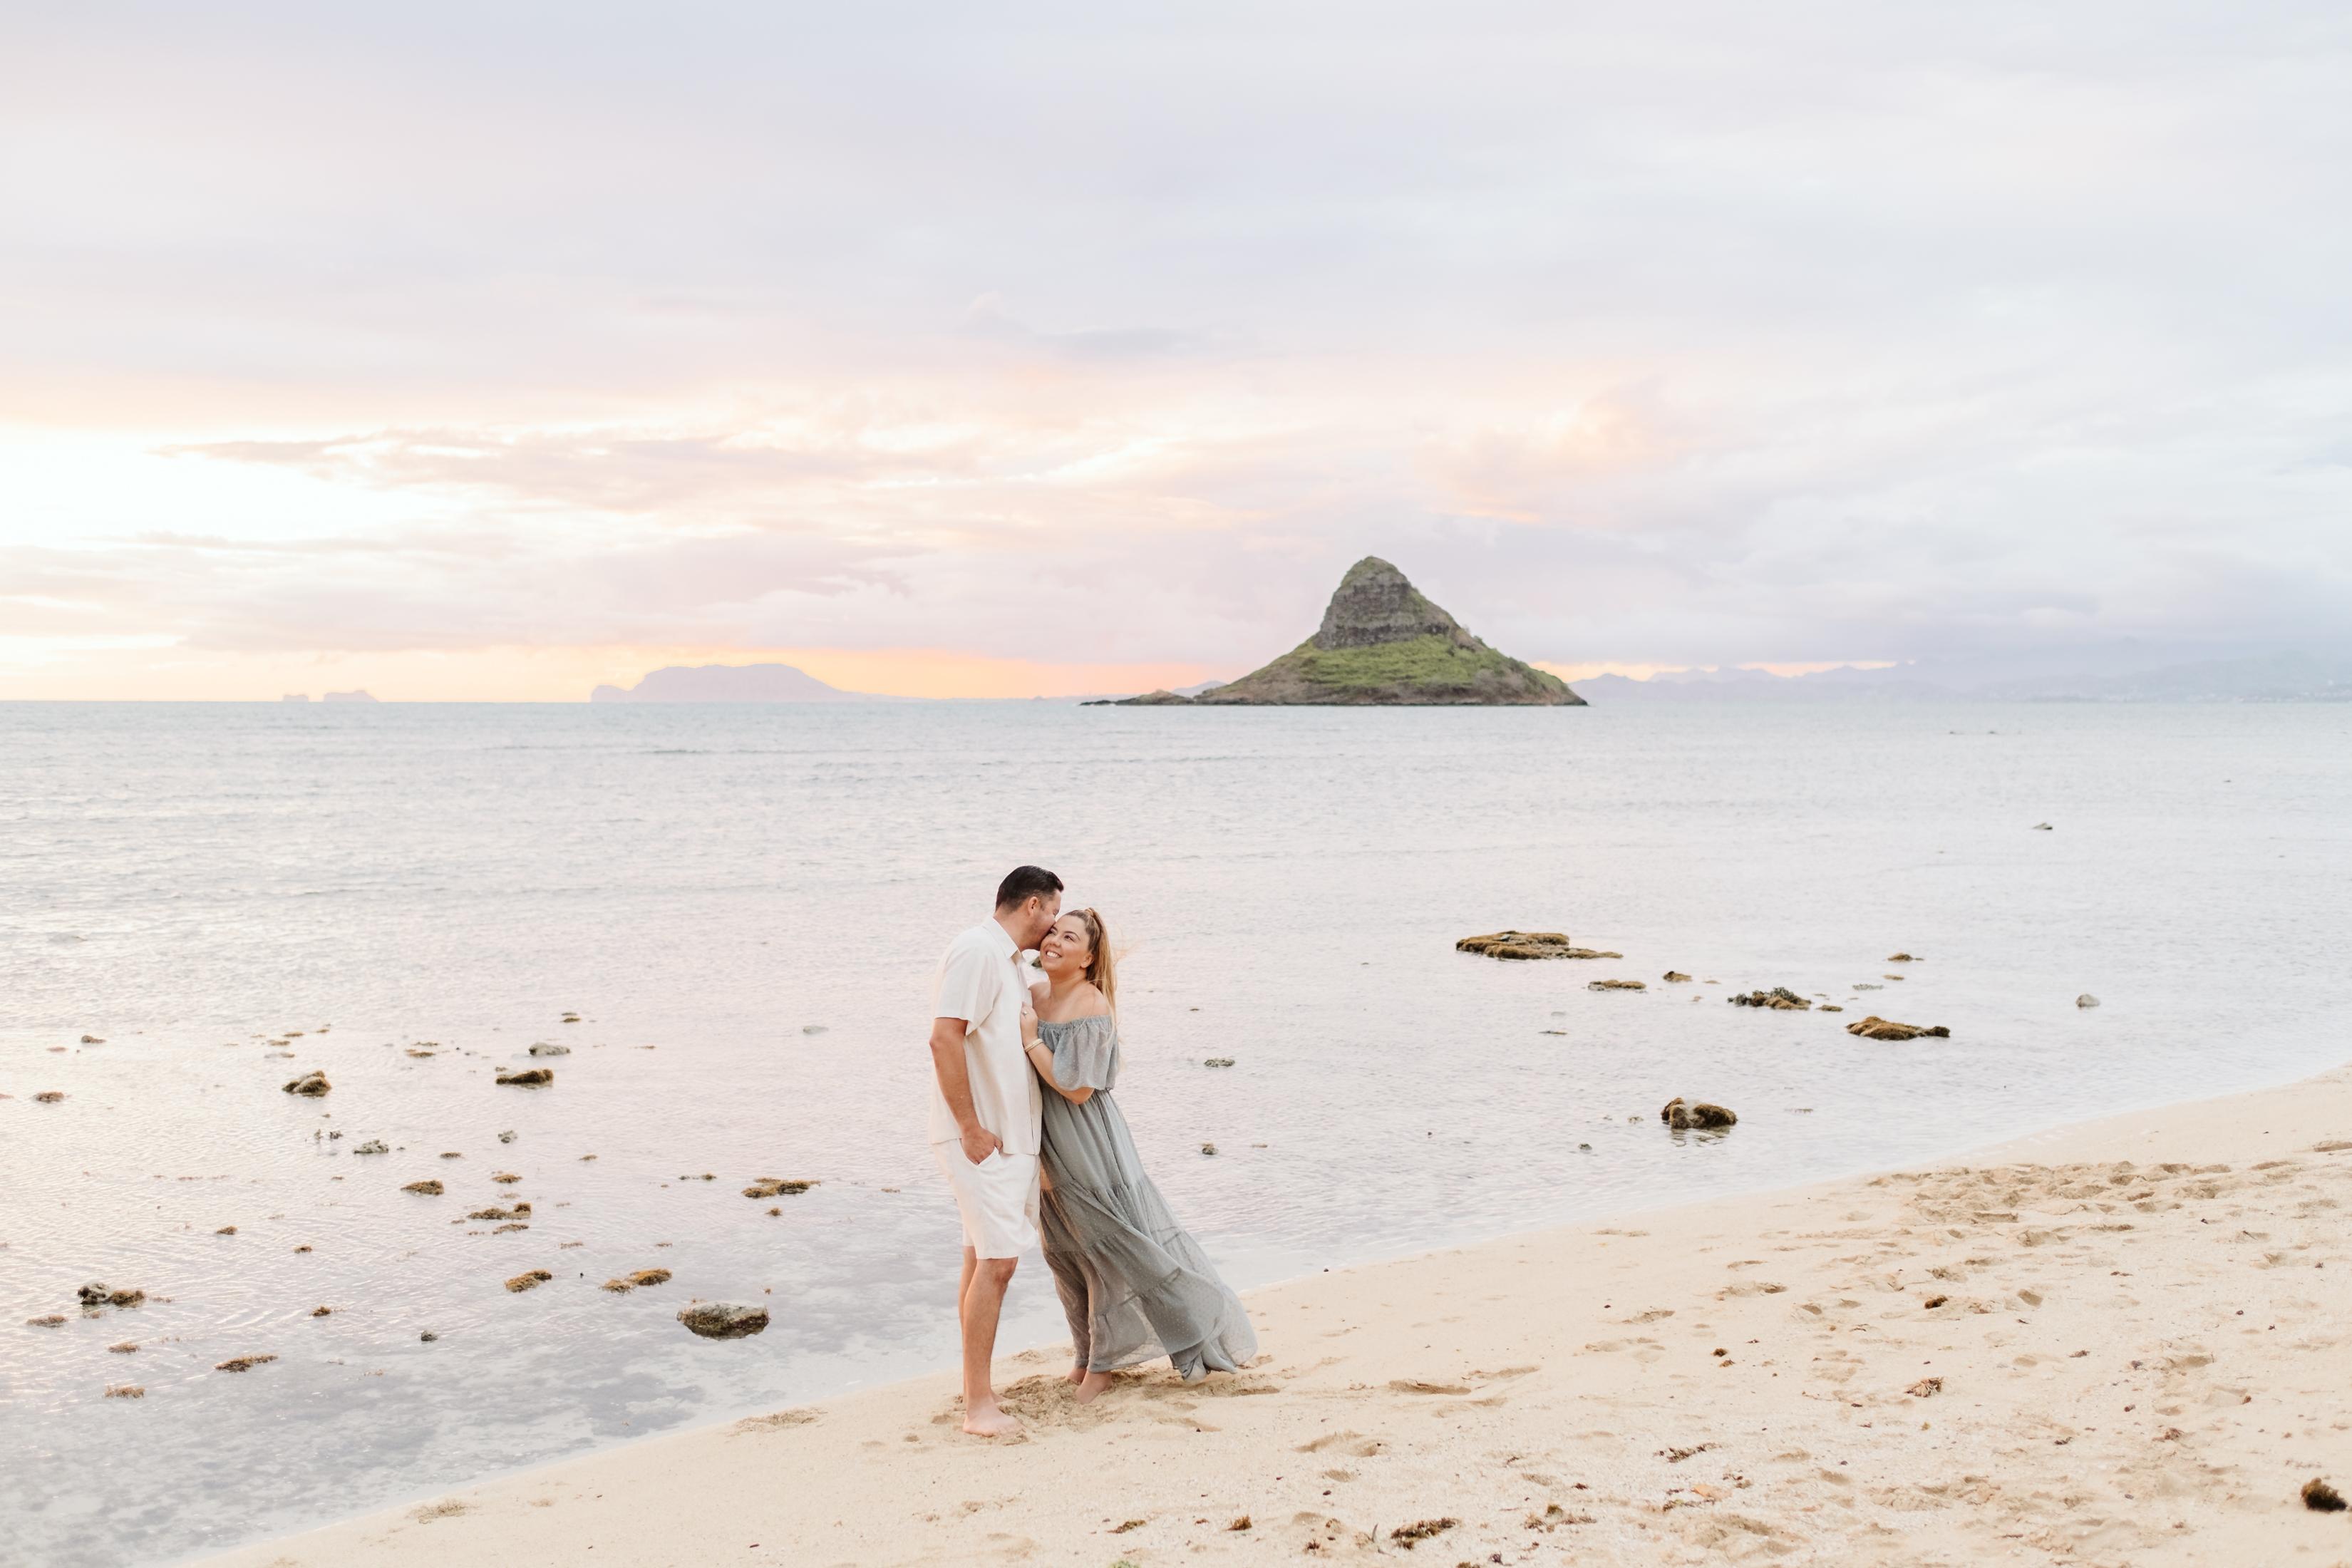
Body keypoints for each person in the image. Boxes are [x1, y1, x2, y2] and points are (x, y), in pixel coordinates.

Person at [1021, 907, 1257, 1401]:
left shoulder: (1091, 1004)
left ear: (1088, 959)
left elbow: (1078, 1090)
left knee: (1108, 1246)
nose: (1055, 942)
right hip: (1044, 1136)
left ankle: (1106, 1365)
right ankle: (1085, 1354)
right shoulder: (1033, 994)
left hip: (1086, 1138)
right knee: (1063, 1249)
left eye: (1069, 938)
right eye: (1053, 932)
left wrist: (1031, 1040)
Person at [927, 864, 1063, 1437]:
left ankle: (974, 1390)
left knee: (981, 1258)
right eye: (1053, 912)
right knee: (999, 1264)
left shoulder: (1008, 963)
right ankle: (977, 1408)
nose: (1053, 925)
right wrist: (970, 1127)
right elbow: (944, 1038)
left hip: (1005, 1139)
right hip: (983, 1140)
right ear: (1032, 905)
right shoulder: (977, 951)